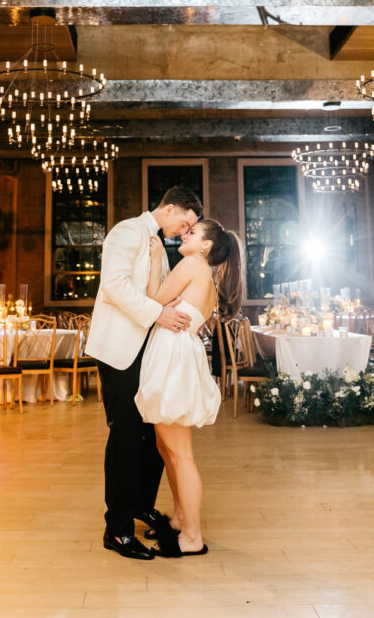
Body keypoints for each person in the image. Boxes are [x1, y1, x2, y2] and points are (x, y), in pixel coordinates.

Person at [85, 186, 203, 561]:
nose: (184, 232)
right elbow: (115, 286)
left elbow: (159, 292)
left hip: (147, 353)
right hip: (120, 350)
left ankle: (139, 504)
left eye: (191, 230)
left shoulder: (159, 244)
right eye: (184, 223)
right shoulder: (126, 232)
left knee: (152, 432)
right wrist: (160, 315)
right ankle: (117, 530)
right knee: (124, 436)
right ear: (169, 209)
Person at [135, 219, 244, 557]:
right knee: (167, 448)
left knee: (180, 453)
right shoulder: (205, 272)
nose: (186, 234)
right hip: (176, 352)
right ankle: (181, 518)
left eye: (193, 233)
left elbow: (153, 300)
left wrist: (155, 262)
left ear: (206, 245)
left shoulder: (192, 264)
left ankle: (193, 536)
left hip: (174, 356)